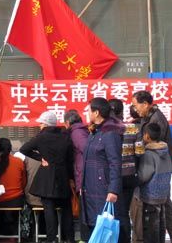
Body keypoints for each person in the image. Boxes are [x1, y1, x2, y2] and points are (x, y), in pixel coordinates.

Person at [132, 90, 172, 243]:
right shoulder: (150, 117)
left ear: (145, 104)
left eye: (136, 105)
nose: (135, 109)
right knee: (165, 207)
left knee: (163, 209)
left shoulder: (156, 119)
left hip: (156, 171)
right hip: (158, 170)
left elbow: (155, 144)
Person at [20, 110, 74, 243]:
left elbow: (24, 149)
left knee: (48, 208)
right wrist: (71, 178)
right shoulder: (65, 137)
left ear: (45, 124)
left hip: (47, 177)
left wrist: (40, 158)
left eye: (41, 123)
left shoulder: (41, 137)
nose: (39, 125)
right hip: (63, 176)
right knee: (66, 209)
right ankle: (70, 238)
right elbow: (70, 160)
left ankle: (51, 239)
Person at [81, 98, 124, 240]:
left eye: (89, 110)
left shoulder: (110, 133)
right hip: (90, 186)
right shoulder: (95, 131)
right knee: (95, 226)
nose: (87, 113)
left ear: (96, 113)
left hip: (102, 187)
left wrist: (113, 189)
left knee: (103, 226)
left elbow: (115, 162)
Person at [109, 98, 139, 243]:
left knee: (114, 212)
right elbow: (140, 152)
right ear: (122, 111)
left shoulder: (105, 129)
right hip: (130, 176)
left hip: (112, 177)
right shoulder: (132, 128)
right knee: (124, 212)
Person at [138, 123, 172, 243]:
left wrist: (135, 178)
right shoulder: (165, 151)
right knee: (160, 227)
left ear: (147, 136)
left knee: (150, 230)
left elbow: (144, 176)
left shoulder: (148, 154)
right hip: (162, 195)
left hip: (150, 196)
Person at [64, 109, 90, 241]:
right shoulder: (82, 131)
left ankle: (85, 239)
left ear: (68, 123)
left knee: (84, 211)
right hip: (83, 175)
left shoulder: (76, 133)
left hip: (84, 177)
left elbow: (86, 150)